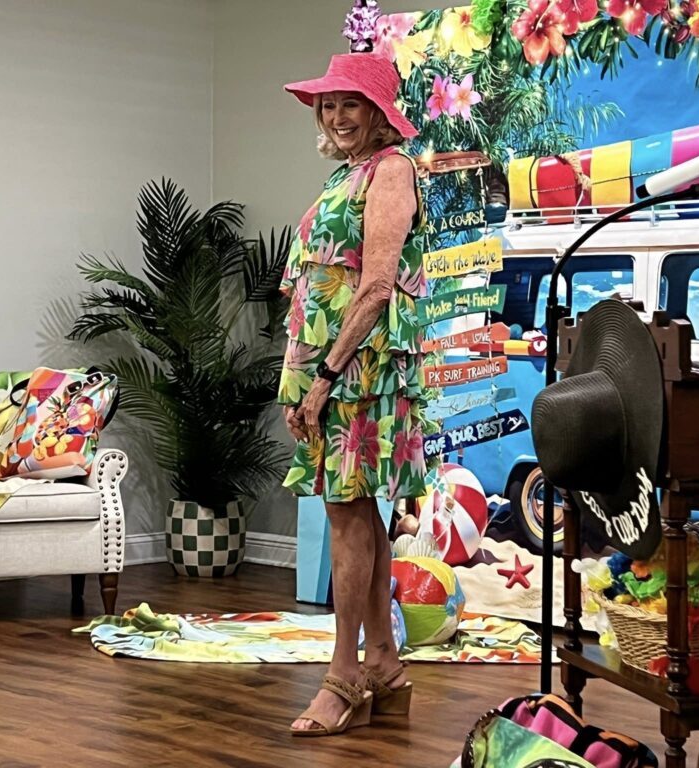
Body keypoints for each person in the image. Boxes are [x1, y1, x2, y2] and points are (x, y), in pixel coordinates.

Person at [278, 53, 430, 737]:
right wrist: (296, 375)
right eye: (329, 104)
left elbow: (373, 287)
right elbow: (312, 287)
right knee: (358, 512)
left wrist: (325, 377)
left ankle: (343, 673)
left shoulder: (392, 171)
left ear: (377, 114)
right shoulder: (346, 176)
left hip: (363, 373)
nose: (337, 117)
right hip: (333, 370)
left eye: (352, 105)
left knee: (348, 517)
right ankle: (385, 669)